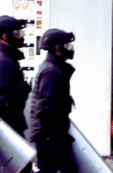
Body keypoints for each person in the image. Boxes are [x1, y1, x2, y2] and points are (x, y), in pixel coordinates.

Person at [29, 28, 77, 173]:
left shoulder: (54, 69)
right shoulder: (51, 72)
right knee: (56, 169)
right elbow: (46, 108)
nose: (70, 49)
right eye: (66, 45)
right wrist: (52, 137)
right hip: (50, 135)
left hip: (50, 134)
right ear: (57, 48)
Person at [0, 15, 30, 136]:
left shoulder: (8, 58)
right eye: (16, 33)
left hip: (13, 124)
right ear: (4, 35)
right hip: (9, 127)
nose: (21, 36)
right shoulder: (1, 62)